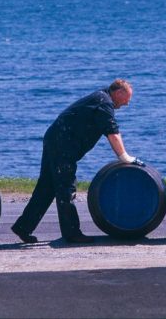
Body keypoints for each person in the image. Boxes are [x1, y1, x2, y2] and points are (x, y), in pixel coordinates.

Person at [11, 79, 138, 244]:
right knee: (66, 187)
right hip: (62, 145)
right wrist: (124, 157)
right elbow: (112, 132)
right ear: (119, 92)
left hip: (55, 139)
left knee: (47, 187)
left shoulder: (100, 98)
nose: (127, 103)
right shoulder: (104, 103)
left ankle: (24, 226)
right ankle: (71, 233)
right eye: (127, 98)